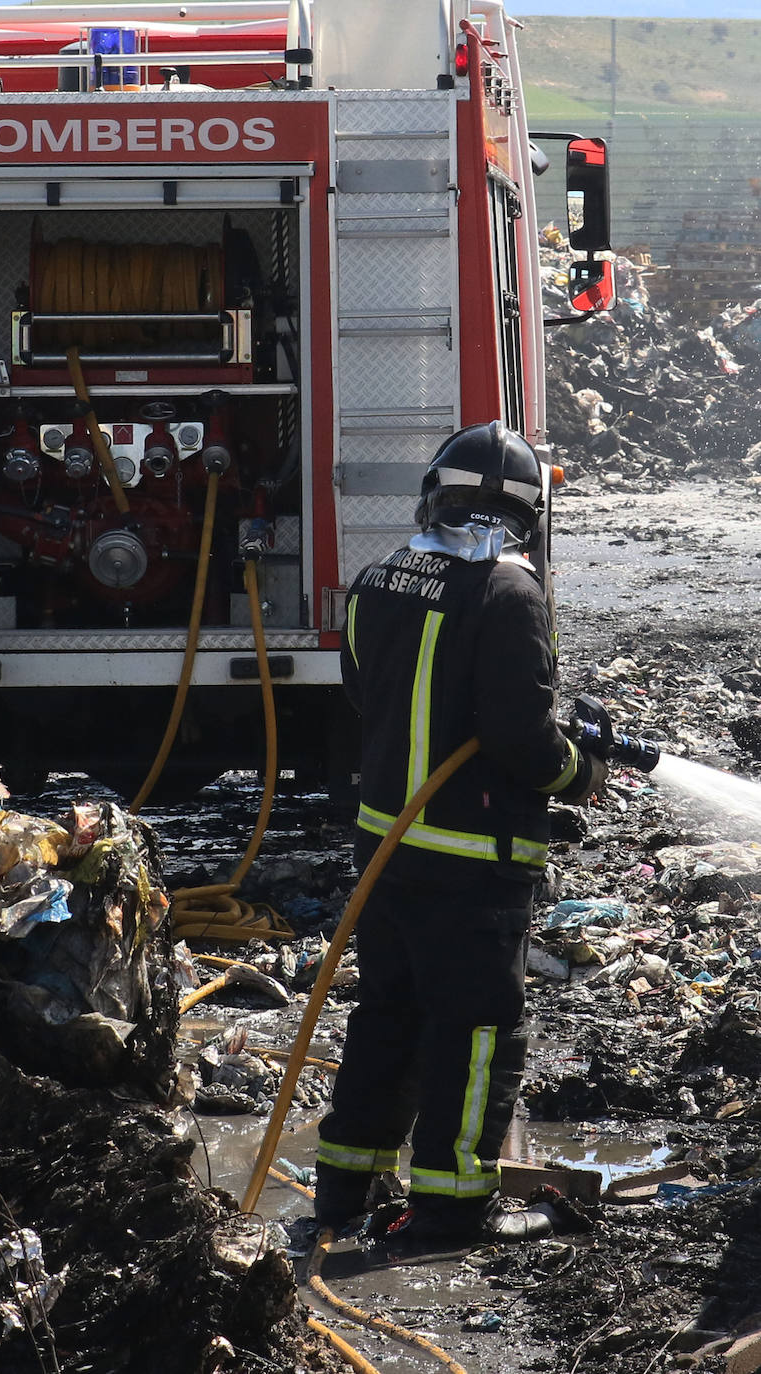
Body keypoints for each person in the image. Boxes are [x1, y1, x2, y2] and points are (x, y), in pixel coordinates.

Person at [313, 421, 607, 1251]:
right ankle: (449, 1208)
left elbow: (363, 693)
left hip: (385, 853)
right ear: (527, 512)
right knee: (478, 1031)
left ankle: (344, 1188)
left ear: (434, 493)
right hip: (474, 862)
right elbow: (521, 741)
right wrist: (578, 773)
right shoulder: (508, 593)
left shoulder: (378, 579)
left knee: (389, 1016)